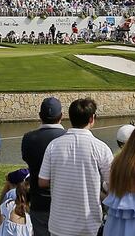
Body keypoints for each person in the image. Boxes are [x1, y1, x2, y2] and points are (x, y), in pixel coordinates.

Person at [38, 98, 113, 236]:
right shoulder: (101, 148)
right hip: (89, 226)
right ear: (92, 118)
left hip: (58, 225)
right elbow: (113, 185)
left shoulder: (54, 145)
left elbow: (43, 181)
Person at [20, 97, 65, 236]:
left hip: (39, 201)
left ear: (40, 116)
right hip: (63, 202)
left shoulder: (28, 138)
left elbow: (27, 159)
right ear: (61, 116)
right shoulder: (68, 138)